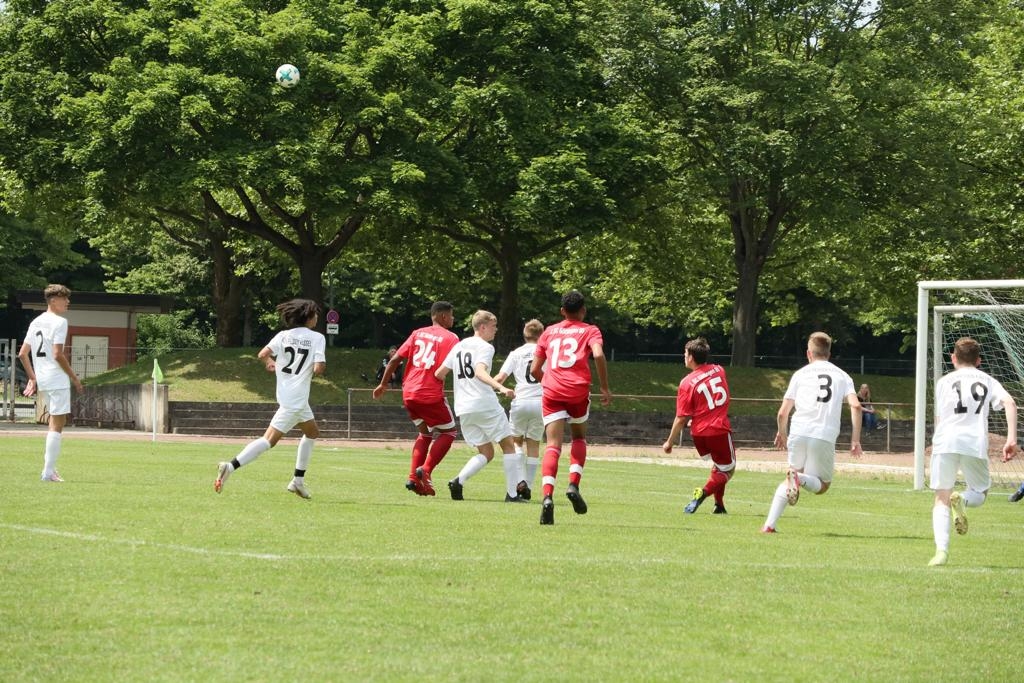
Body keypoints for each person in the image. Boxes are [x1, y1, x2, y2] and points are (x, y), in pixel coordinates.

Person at [214, 299, 326, 499]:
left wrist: (270, 362)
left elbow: (263, 354)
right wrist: (316, 367)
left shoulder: (283, 335)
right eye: (315, 314)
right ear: (309, 317)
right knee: (268, 441)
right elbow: (318, 368)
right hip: (295, 401)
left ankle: (298, 481)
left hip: (291, 397)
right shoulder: (317, 338)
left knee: (312, 433)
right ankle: (230, 466)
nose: (317, 317)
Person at [927, 337, 1017, 566]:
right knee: (980, 492)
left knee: (941, 497)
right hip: (973, 442)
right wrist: (1011, 439)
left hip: (945, 440)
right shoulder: (988, 380)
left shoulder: (943, 382)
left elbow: (940, 417)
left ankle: (941, 552)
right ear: (979, 360)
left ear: (953, 358)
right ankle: (964, 500)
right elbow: (1010, 403)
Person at [761, 332, 862, 534]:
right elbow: (856, 406)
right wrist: (855, 440)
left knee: (790, 476)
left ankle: (769, 525)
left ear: (809, 353)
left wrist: (782, 434)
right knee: (823, 485)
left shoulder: (800, 374)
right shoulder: (843, 376)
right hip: (823, 434)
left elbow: (782, 413)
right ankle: (799, 479)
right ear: (829, 354)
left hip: (798, 430)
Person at [529, 290, 612, 525]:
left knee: (552, 445)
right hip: (578, 391)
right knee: (578, 438)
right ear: (583, 310)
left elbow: (534, 369)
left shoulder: (549, 332)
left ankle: (547, 497)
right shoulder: (590, 330)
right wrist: (604, 387)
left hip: (552, 392)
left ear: (562, 311)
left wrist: (549, 383)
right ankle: (573, 484)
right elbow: (598, 355)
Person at [435, 310, 524, 502]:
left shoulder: (459, 346)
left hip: (464, 408)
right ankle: (512, 495)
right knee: (508, 445)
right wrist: (501, 387)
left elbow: (439, 373)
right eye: (493, 326)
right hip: (484, 404)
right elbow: (479, 372)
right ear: (482, 327)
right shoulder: (485, 347)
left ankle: (458, 481)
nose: (496, 330)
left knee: (487, 452)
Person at [374, 301, 460, 496]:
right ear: (443, 316)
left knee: (425, 434)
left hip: (409, 393)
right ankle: (426, 470)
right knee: (449, 433)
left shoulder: (417, 333)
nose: (453, 319)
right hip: (430, 393)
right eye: (451, 315)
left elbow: (395, 359)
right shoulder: (452, 338)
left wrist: (383, 384)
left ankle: (413, 478)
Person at [18, 284, 84, 482]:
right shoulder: (60, 322)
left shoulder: (36, 321)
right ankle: (48, 472)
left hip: (44, 379)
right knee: (57, 425)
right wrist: (74, 377)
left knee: (55, 423)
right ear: (53, 300)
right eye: (64, 298)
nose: (68, 302)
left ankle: (49, 469)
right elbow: (57, 354)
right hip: (57, 378)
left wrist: (33, 377)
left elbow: (22, 354)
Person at [662, 337, 735, 514]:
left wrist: (669, 442)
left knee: (718, 466)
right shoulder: (719, 369)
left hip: (698, 434)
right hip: (718, 429)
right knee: (729, 470)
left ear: (691, 357)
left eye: (685, 353)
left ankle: (719, 506)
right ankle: (703, 492)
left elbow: (681, 417)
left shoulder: (686, 383)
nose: (684, 356)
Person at [494, 319, 545, 501]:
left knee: (516, 442)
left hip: (520, 401)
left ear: (525, 334)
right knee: (534, 444)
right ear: (542, 334)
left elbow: (500, 377)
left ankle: (521, 479)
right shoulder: (547, 352)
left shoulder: (516, 353)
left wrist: (487, 385)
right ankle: (528, 486)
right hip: (541, 401)